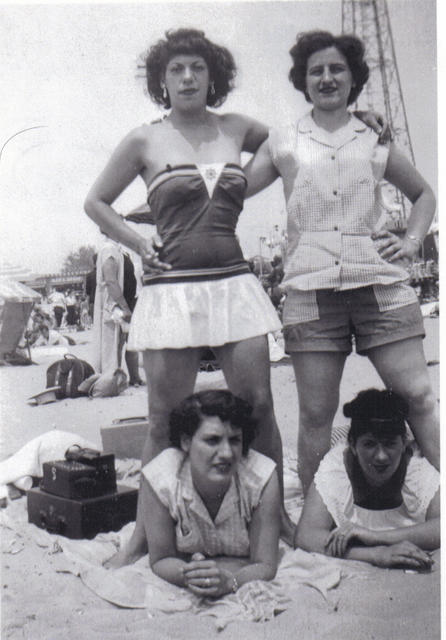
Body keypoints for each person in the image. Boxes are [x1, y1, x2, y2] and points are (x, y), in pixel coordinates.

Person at [84, 28, 385, 564]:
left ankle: (280, 521)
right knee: (161, 418)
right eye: (175, 70)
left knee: (260, 406)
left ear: (213, 76)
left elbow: (308, 135)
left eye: (197, 68)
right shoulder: (142, 140)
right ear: (161, 80)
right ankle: (141, 538)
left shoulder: (240, 128)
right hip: (172, 293)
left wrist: (359, 123)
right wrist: (135, 240)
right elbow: (96, 202)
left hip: (233, 284)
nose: (186, 77)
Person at [244, 30, 439, 495]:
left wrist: (411, 241)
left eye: (337, 69)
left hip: (380, 285)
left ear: (354, 78)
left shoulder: (373, 138)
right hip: (311, 292)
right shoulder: (283, 142)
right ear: (302, 80)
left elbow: (424, 195)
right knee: (315, 413)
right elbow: (235, 190)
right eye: (316, 71)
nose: (327, 78)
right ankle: (318, 511)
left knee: (418, 397)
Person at [139, 389, 279, 595]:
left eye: (234, 440)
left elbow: (265, 564)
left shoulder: (262, 477)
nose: (226, 453)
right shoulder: (161, 477)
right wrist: (191, 575)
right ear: (186, 442)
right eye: (212, 440)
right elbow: (160, 559)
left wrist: (231, 582)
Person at [295, 389, 439, 570]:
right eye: (369, 444)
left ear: (403, 443)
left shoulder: (416, 467)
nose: (381, 457)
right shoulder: (337, 467)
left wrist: (374, 536)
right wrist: (377, 554)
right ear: (353, 446)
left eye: (390, 444)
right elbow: (306, 535)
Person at [92, 234, 142, 384]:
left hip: (128, 300)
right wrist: (124, 307)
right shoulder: (109, 250)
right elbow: (111, 281)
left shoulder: (120, 250)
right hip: (116, 304)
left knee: (130, 342)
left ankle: (134, 377)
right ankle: (113, 380)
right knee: (115, 344)